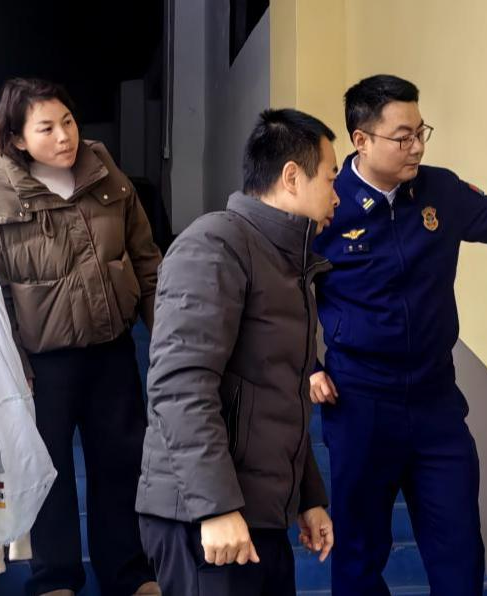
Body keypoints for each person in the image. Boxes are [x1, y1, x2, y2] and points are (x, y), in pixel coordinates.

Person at [310, 74, 487, 595]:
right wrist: (307, 366)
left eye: (421, 132)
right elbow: (281, 290)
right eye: (403, 137)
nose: (417, 146)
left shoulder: (441, 190)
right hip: (359, 400)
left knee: (460, 551)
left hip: (435, 401)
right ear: (361, 140)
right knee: (358, 555)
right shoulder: (327, 203)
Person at [135, 108, 338, 596]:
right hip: (206, 519)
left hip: (256, 515)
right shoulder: (215, 244)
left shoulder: (289, 264)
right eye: (331, 179)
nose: (337, 196)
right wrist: (215, 506)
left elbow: (279, 396)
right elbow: (180, 386)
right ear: (292, 177)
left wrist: (308, 496)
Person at [0, 78, 161, 596]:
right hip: (43, 362)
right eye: (46, 128)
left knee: (121, 461)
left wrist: (163, 335)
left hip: (112, 349)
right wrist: (14, 363)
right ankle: (55, 577)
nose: (64, 136)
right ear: (17, 138)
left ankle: (129, 571)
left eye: (69, 121)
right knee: (49, 469)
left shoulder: (103, 170)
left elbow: (145, 258)